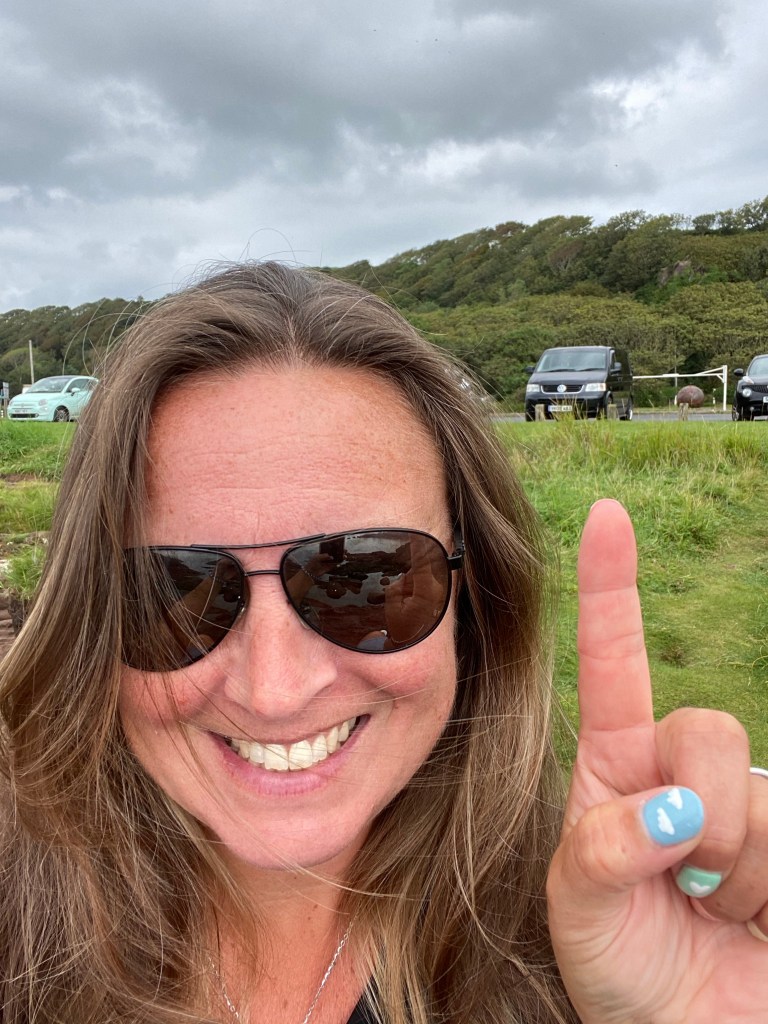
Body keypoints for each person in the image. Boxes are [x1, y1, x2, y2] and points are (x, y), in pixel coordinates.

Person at [0, 262, 766, 1024]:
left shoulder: (586, 933)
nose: (276, 690)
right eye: (175, 593)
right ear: (89, 620)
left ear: (475, 600)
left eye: (365, 579)